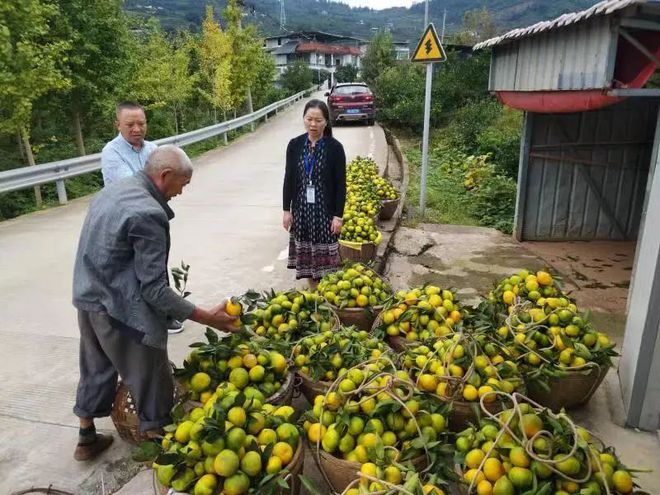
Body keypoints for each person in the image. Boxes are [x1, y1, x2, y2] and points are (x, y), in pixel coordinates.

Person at [72, 145, 238, 461]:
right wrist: (207, 317)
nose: (181, 192)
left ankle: (86, 435)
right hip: (119, 305)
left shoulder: (114, 190)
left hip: (88, 294)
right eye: (182, 184)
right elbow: (155, 291)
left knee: (95, 364)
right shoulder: (148, 213)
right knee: (152, 368)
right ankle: (159, 441)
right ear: (164, 176)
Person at [101, 102, 185, 334]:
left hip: (152, 217)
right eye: (130, 124)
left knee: (156, 264)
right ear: (117, 124)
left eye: (141, 123)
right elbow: (132, 188)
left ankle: (164, 313)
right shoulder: (111, 152)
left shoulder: (153, 150)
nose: (137, 128)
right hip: (127, 222)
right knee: (132, 271)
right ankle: (133, 319)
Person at [283, 99, 346, 288]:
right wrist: (287, 210)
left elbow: (340, 184)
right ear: (303, 119)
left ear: (326, 122)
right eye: (309, 119)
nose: (313, 124)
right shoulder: (294, 145)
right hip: (302, 212)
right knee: (310, 263)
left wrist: (338, 216)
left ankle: (327, 297)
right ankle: (315, 296)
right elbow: (288, 179)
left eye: (318, 120)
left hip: (324, 214)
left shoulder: (335, 148)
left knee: (327, 264)